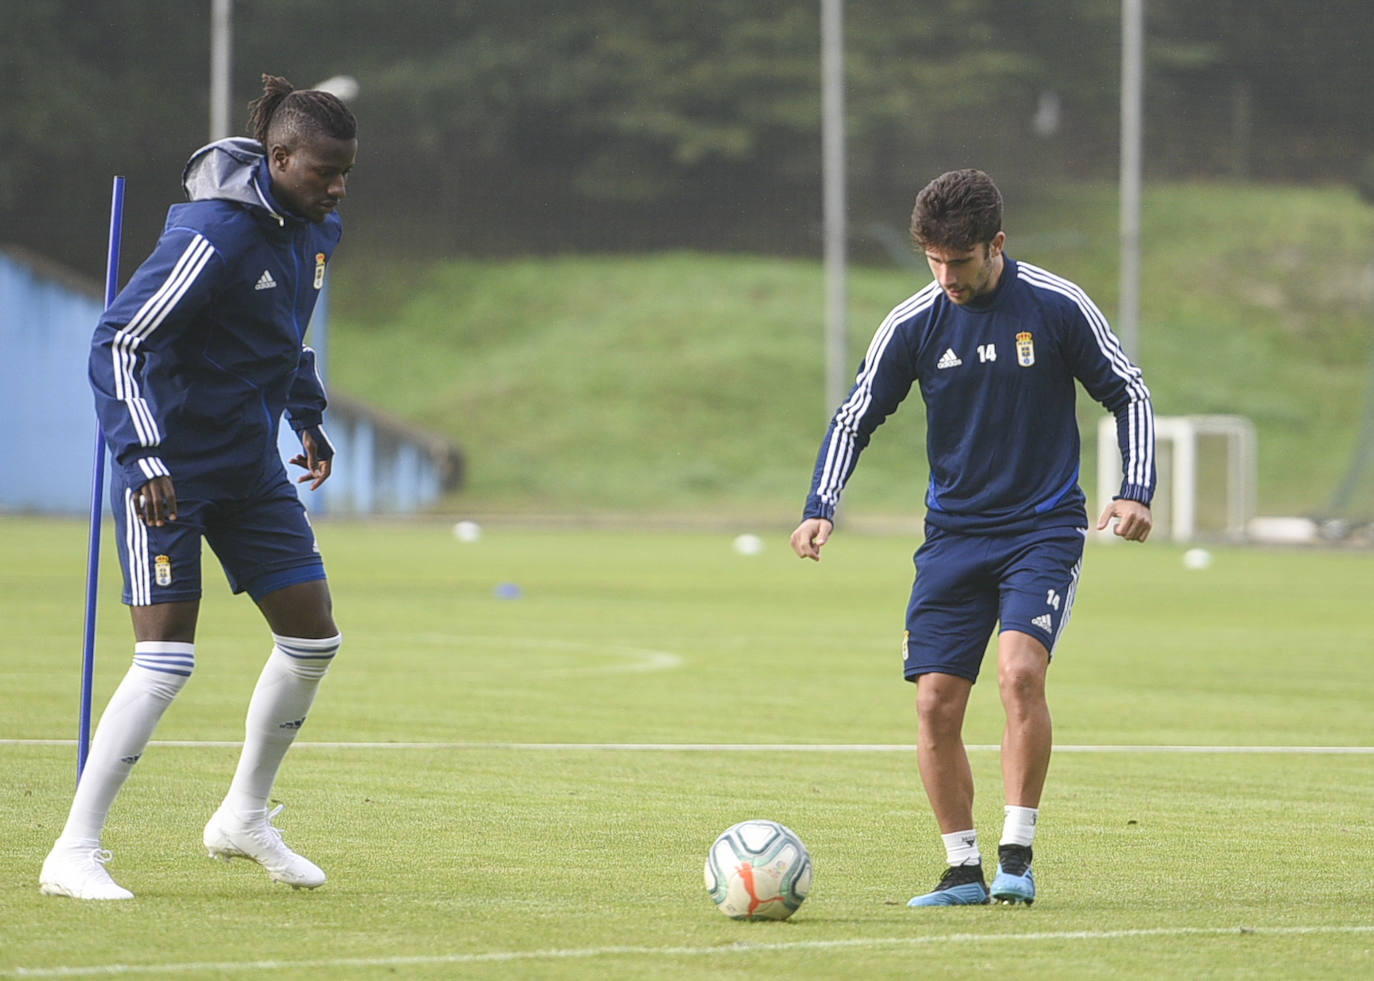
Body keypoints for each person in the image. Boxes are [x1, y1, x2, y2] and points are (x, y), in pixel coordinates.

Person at [790, 169, 1154, 907]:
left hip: (1042, 527)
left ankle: (1016, 856)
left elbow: (1128, 389)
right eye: (934, 259)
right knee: (934, 705)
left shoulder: (1055, 305)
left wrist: (1134, 488)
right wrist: (822, 502)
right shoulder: (915, 321)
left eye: (960, 261)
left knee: (1020, 673)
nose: (946, 276)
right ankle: (962, 869)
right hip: (953, 536)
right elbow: (856, 413)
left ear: (997, 244)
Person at [39, 74, 357, 900]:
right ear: (279, 156)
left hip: (249, 468)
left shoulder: (316, 232)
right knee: (166, 658)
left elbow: (283, 339)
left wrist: (307, 419)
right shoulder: (214, 234)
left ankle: (244, 817)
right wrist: (141, 457)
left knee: (314, 639)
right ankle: (74, 849)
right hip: (169, 473)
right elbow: (118, 343)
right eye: (324, 171)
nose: (338, 186)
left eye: (345, 171)